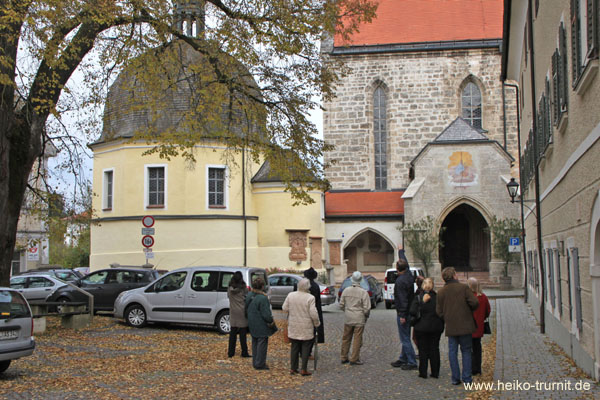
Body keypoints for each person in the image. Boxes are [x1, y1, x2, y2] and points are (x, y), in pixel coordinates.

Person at [436, 267, 479, 385]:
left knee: (452, 352)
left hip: (451, 326)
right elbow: (475, 302)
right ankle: (467, 378)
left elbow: (438, 311)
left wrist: (447, 318)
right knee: (466, 351)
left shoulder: (441, 292)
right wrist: (468, 310)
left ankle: (455, 378)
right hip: (465, 325)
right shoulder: (463, 288)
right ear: (454, 275)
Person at [282, 278, 320, 376]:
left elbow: (284, 308)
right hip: (306, 326)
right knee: (306, 347)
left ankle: (293, 368)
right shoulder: (310, 297)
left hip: (294, 325)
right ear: (308, 287)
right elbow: (313, 313)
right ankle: (303, 369)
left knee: (294, 346)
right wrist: (317, 323)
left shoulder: (291, 295)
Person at [410, 277, 444, 379]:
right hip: (435, 327)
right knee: (434, 349)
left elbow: (412, 311)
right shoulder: (437, 298)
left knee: (423, 350)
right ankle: (435, 372)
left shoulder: (418, 297)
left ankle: (423, 372)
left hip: (421, 327)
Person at [390, 258, 417, 370]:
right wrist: (401, 252)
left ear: (397, 269)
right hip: (409, 311)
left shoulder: (400, 281)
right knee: (405, 335)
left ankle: (412, 362)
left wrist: (402, 315)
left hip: (404, 313)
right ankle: (403, 358)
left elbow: (402, 299)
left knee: (405, 338)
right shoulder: (409, 276)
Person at [339, 271, 371, 365]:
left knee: (346, 338)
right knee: (357, 339)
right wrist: (365, 316)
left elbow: (341, 305)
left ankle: (344, 356)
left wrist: (347, 311)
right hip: (359, 318)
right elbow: (367, 308)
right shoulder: (363, 292)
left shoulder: (346, 290)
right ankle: (354, 358)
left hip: (348, 318)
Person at [246, 277, 275, 370]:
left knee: (255, 342)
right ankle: (260, 363)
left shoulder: (249, 294)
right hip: (261, 323)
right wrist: (271, 321)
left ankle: (255, 362)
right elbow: (266, 314)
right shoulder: (263, 298)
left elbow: (245, 308)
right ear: (262, 286)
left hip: (251, 321)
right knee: (262, 343)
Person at [468, 277, 491, 376]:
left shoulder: (468, 298)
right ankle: (477, 368)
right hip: (479, 327)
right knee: (477, 347)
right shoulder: (483, 297)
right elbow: (488, 311)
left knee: (469, 349)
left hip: (469, 327)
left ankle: (471, 367)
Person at [227, 271, 251, 358]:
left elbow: (228, 297)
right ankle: (244, 352)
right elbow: (247, 298)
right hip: (242, 311)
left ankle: (231, 352)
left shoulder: (229, 288)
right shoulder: (243, 288)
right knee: (242, 333)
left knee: (232, 332)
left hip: (233, 311)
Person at [304, 267, 324, 358]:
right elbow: (317, 302)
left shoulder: (300, 285)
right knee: (311, 332)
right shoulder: (315, 286)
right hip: (312, 311)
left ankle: (303, 351)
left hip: (302, 311)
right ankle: (307, 352)